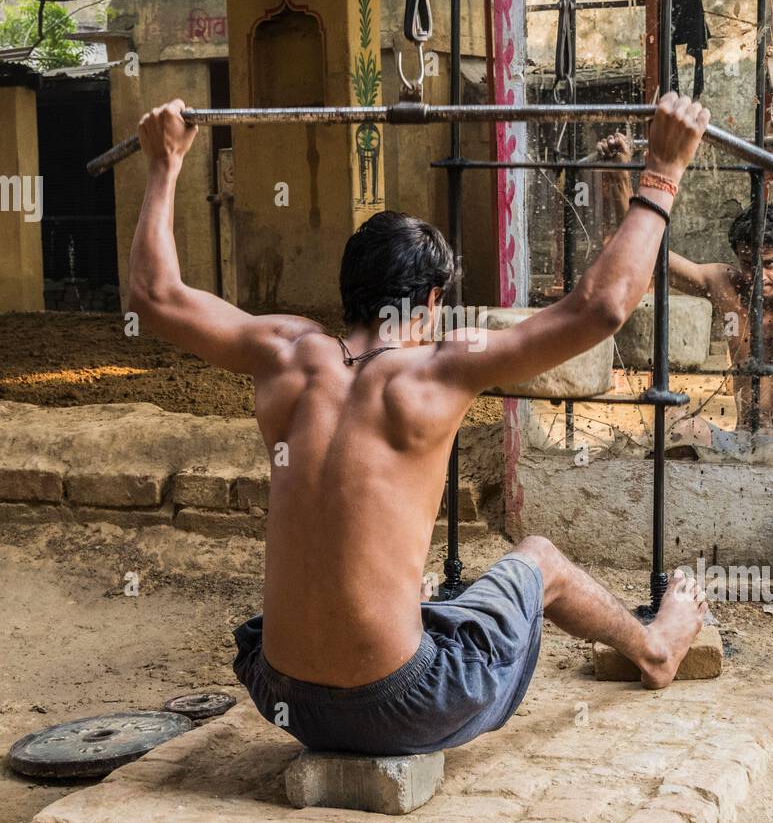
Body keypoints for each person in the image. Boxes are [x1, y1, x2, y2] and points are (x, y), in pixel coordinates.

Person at [127, 94, 710, 757]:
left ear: (351, 288)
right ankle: (656, 649)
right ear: (430, 302)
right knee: (539, 560)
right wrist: (662, 170)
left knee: (418, 607)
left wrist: (165, 165)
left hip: (283, 699)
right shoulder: (438, 369)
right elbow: (601, 307)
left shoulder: (284, 353)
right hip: (399, 706)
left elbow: (155, 296)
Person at [597, 131, 773, 451]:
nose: (758, 276)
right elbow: (647, 254)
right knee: (677, 429)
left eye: (770, 263)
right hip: (743, 443)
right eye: (749, 264)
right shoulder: (724, 284)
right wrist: (620, 174)